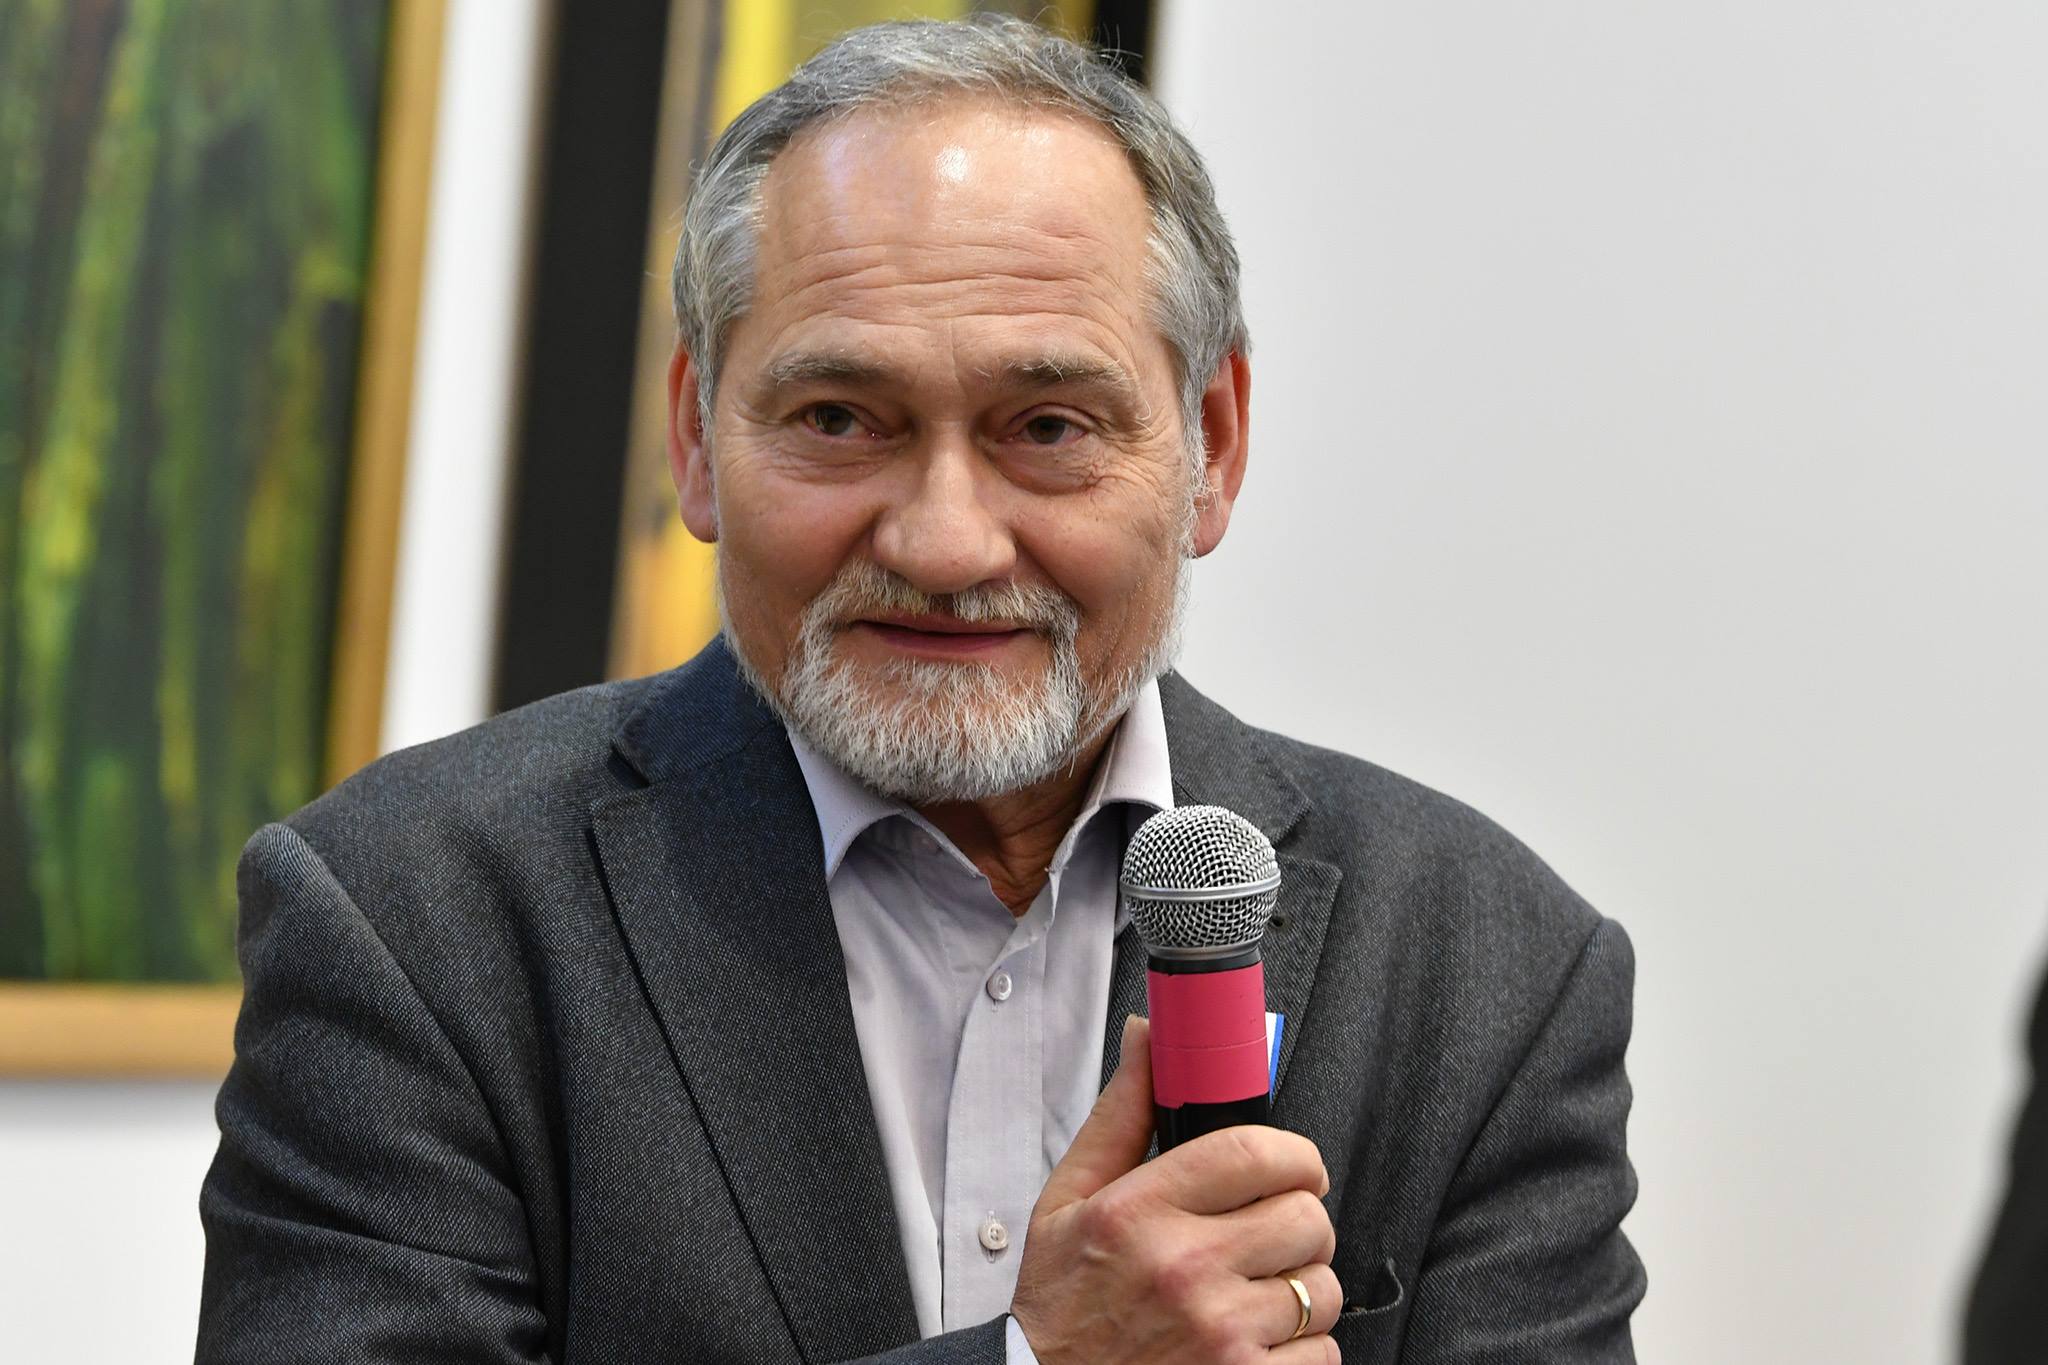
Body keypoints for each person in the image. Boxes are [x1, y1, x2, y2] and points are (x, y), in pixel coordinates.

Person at [196, 17, 1644, 1363]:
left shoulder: (1487, 962)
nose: (945, 543)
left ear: (1212, 445)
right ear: (696, 442)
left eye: (1048, 427)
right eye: (840, 418)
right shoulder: (416, 920)